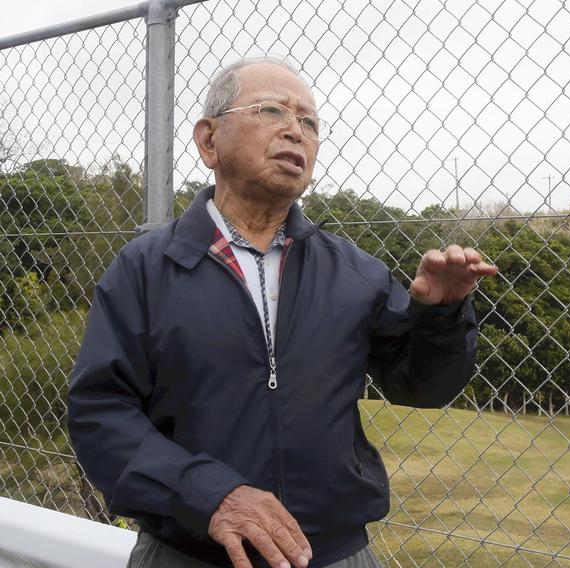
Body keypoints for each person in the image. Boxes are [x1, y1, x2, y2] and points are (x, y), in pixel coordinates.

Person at [67, 56, 497, 568]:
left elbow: (424, 386)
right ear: (209, 141)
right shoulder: (145, 269)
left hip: (333, 554)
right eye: (272, 110)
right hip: (186, 552)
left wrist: (442, 316)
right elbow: (100, 411)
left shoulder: (354, 272)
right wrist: (209, 497)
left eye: (310, 123)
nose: (296, 130)